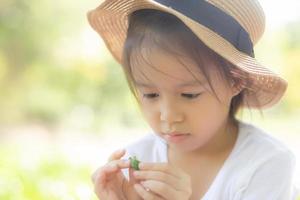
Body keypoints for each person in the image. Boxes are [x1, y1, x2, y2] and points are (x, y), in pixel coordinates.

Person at [87, 0, 299, 199]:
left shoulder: (266, 163)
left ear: (236, 82)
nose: (169, 117)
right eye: (151, 95)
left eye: (189, 95)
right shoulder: (138, 159)